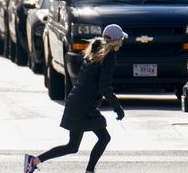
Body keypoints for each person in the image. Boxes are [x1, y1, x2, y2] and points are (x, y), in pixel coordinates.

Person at [24, 24, 128, 173]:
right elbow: (105, 86)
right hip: (84, 106)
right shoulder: (109, 56)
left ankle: (33, 161)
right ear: (116, 41)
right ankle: (89, 170)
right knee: (103, 138)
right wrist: (118, 108)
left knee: (73, 146)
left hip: (77, 102)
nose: (122, 42)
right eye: (121, 40)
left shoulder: (95, 50)